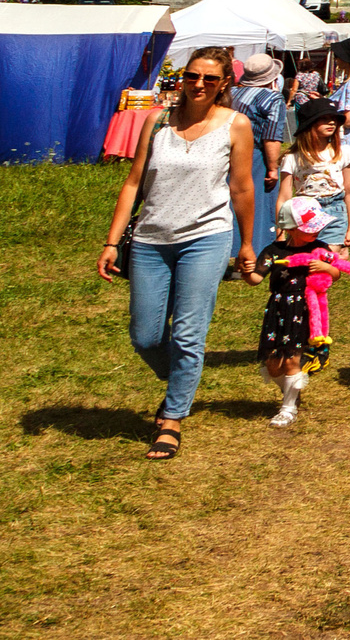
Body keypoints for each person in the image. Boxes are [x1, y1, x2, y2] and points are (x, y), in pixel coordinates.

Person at [99, 46, 261, 460]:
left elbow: (242, 188)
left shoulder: (236, 125)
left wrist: (246, 244)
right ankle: (182, 383)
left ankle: (171, 420)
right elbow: (134, 183)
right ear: (182, 78)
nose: (199, 85)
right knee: (146, 335)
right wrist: (111, 241)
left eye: (209, 79)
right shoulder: (156, 122)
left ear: (225, 83)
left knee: (189, 334)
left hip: (206, 238)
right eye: (192, 76)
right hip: (152, 240)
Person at [259, 195, 350, 427]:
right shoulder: (274, 251)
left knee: (292, 360)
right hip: (277, 309)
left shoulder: (321, 249)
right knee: (273, 365)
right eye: (310, 228)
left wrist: (326, 267)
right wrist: (246, 269)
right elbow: (255, 278)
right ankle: (291, 390)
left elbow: (335, 275)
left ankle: (288, 408)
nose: (316, 232)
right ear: (292, 228)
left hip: (303, 308)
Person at [229, 51, 291, 275]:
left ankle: (230, 253)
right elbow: (272, 136)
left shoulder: (231, 93)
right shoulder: (272, 99)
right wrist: (273, 168)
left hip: (227, 154)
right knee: (255, 206)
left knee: (230, 204)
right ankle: (246, 260)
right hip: (254, 155)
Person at [279, 99, 350, 248]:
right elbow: (284, 197)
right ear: (309, 123)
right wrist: (280, 232)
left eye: (334, 119)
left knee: (327, 260)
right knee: (303, 262)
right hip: (303, 215)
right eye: (324, 119)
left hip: (335, 212)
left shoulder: (344, 153)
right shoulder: (292, 157)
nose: (331, 123)